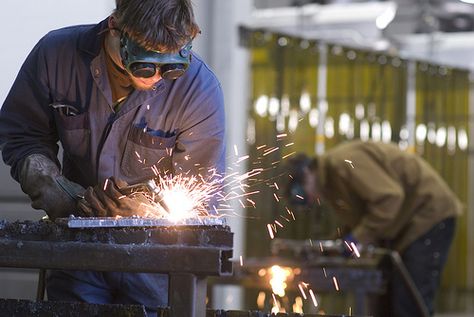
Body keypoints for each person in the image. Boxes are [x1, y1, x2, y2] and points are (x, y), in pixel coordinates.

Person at [0, 0, 225, 315]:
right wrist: (49, 185)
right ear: (115, 28)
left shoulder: (198, 89)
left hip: (157, 271)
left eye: (170, 67)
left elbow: (202, 194)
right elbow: (22, 133)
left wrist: (146, 210)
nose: (158, 78)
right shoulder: (56, 55)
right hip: (77, 253)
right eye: (146, 65)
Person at [284, 140, 462, 317]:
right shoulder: (330, 183)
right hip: (404, 225)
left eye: (302, 194)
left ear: (307, 172)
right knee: (383, 300)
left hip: (428, 214)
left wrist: (356, 239)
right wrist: (333, 248)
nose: (309, 200)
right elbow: (362, 218)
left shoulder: (341, 163)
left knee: (408, 304)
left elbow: (389, 199)